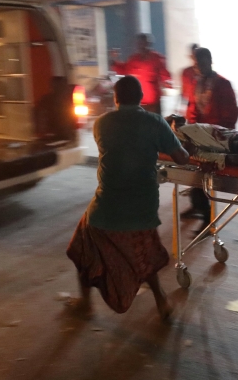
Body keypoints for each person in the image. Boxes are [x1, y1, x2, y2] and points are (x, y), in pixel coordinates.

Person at [66, 76, 190, 321]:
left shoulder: (101, 124)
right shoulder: (156, 123)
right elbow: (181, 158)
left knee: (83, 248)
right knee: (144, 257)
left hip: (106, 207)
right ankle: (162, 301)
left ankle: (84, 301)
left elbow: (126, 141)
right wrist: (174, 135)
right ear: (142, 97)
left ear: (115, 98)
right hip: (141, 208)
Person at [183, 47, 238, 224]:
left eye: (199, 63)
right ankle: (197, 206)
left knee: (205, 173)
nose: (196, 66)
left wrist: (220, 134)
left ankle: (206, 215)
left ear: (209, 61)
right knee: (196, 170)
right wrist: (190, 130)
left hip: (215, 137)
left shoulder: (223, 84)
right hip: (199, 136)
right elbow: (192, 108)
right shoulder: (196, 84)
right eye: (194, 63)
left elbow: (231, 113)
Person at [111, 33, 172, 115]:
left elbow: (166, 75)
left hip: (153, 103)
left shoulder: (157, 59)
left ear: (149, 44)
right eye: (139, 43)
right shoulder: (134, 59)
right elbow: (125, 70)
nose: (141, 46)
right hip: (137, 103)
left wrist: (168, 83)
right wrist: (114, 63)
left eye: (144, 43)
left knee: (153, 125)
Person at [177, 43, 199, 116]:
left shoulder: (205, 73)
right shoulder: (186, 72)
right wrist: (181, 106)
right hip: (191, 107)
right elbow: (184, 91)